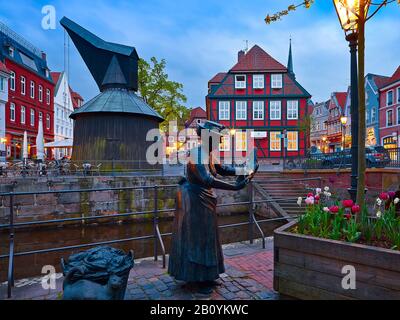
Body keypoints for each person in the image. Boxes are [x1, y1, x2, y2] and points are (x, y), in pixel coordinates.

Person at [168, 121, 258, 294]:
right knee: (197, 238)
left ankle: (207, 275)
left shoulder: (207, 154)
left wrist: (244, 170)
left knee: (207, 237)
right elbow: (207, 179)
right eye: (219, 139)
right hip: (194, 203)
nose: (222, 142)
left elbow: (223, 169)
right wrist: (235, 187)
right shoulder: (196, 154)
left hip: (204, 201)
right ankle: (194, 279)